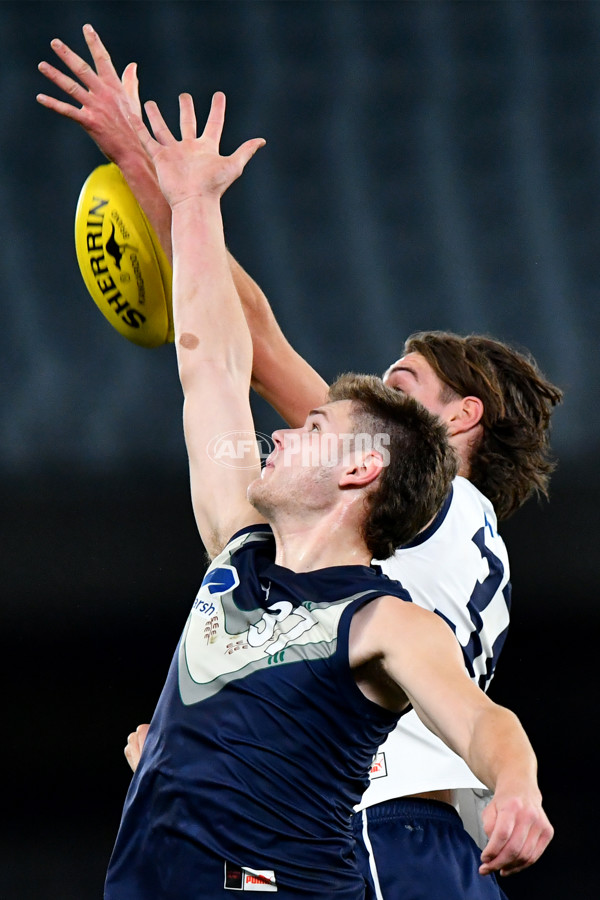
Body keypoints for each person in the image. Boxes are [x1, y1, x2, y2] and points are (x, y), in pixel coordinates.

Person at [37, 27, 559, 899]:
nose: (287, 429)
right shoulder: (270, 557)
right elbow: (217, 361)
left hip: (389, 831)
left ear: (448, 426)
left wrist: (168, 187)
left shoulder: (423, 539)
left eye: (402, 380)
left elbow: (257, 350)